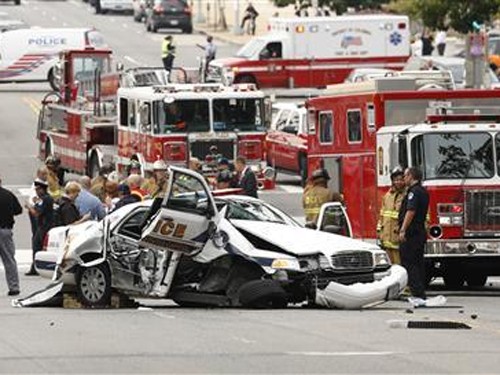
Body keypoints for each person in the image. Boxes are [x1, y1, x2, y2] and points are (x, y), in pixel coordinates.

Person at [398, 167, 429, 300]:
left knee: (409, 262)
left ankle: (417, 292)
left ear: (411, 176)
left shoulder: (413, 192)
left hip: (411, 233)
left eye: (405, 176)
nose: (404, 179)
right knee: (418, 262)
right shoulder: (423, 191)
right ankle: (420, 290)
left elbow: (411, 211)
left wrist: (403, 229)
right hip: (420, 232)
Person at [24, 178, 54, 276]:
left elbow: (36, 213)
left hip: (44, 227)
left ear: (42, 189)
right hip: (43, 226)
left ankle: (36, 267)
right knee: (38, 247)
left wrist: (29, 206)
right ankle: (36, 267)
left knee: (37, 246)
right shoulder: (44, 198)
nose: (36, 191)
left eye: (37, 189)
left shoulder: (46, 199)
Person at [377, 167, 406, 265]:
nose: (398, 182)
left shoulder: (407, 196)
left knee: (401, 268)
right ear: (392, 181)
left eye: (401, 179)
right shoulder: (387, 196)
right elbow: (382, 215)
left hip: (399, 240)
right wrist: (379, 233)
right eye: (396, 180)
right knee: (390, 269)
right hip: (386, 240)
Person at [0, 176, 23, 295]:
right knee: (9, 260)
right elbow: (19, 210)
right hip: (5, 230)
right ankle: (14, 287)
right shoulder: (9, 195)